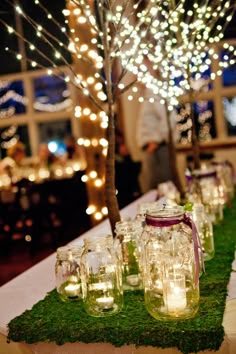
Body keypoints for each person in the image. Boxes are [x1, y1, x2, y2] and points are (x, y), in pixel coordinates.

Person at [136, 96, 177, 194]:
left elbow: (169, 118)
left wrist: (156, 140)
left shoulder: (154, 95)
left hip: (158, 148)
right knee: (154, 187)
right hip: (153, 148)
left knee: (162, 187)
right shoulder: (147, 96)